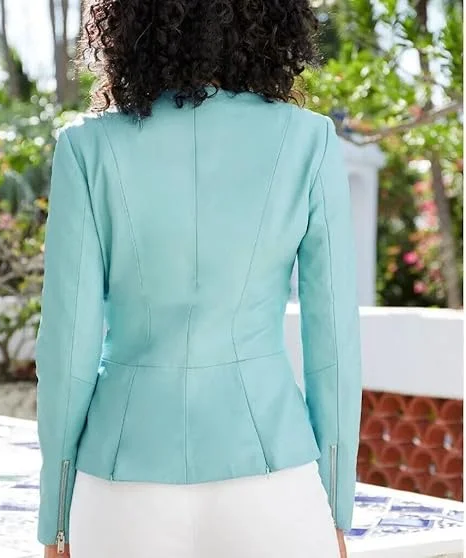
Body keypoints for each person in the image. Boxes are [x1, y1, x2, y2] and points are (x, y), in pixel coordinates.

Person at [36, 0, 362, 556]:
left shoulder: (86, 146)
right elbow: (333, 342)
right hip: (272, 476)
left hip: (120, 479)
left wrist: (57, 517)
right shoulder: (308, 140)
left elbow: (67, 349)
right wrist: (336, 502)